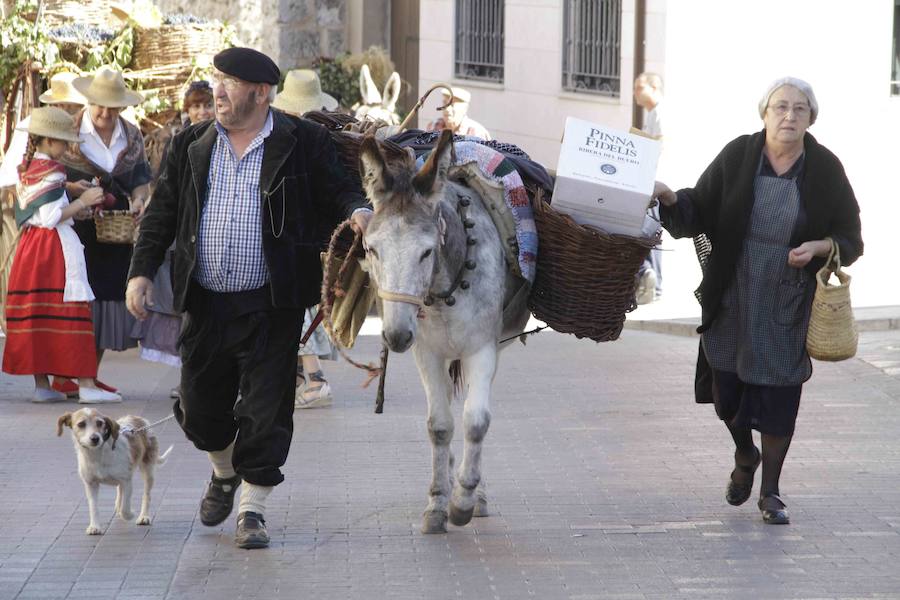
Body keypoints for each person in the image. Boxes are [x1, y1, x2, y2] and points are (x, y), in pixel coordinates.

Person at [125, 47, 370, 549]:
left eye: (230, 82)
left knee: (266, 410)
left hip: (271, 302)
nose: (217, 90)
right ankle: (222, 471)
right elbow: (162, 212)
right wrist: (140, 273)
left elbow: (340, 190)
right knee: (198, 410)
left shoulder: (302, 141)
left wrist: (360, 211)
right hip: (207, 300)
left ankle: (252, 510)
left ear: (261, 93)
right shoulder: (192, 143)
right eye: (217, 79)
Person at [652, 77, 863, 525]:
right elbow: (698, 206)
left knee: (780, 394)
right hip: (733, 292)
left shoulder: (824, 168)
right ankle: (745, 455)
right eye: (781, 107)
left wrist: (820, 247)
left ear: (811, 118)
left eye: (800, 109)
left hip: (788, 298)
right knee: (725, 392)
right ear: (764, 113)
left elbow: (851, 236)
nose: (790, 116)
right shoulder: (739, 156)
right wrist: (670, 198)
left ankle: (771, 492)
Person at [1, 107, 120, 403]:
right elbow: (53, 215)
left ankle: (43, 384)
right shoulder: (52, 171)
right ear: (49, 141)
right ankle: (86, 385)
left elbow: (41, 210)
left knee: (38, 314)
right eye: (64, 142)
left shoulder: (30, 170)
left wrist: (72, 191)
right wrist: (86, 200)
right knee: (71, 311)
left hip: (32, 249)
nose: (68, 148)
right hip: (53, 250)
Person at [51, 66, 151, 401]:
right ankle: (69, 375)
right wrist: (75, 191)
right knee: (78, 300)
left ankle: (87, 374)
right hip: (76, 230)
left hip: (115, 229)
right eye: (99, 106)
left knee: (107, 299)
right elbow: (45, 176)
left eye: (112, 107)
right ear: (89, 101)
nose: (105, 113)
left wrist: (139, 201)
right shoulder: (69, 132)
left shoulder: (132, 136)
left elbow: (140, 180)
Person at [132, 80, 215, 397]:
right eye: (195, 105)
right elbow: (164, 191)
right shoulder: (178, 143)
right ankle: (190, 380)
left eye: (206, 104)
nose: (201, 111)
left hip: (214, 235)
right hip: (183, 237)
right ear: (187, 110)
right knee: (185, 310)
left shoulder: (227, 139)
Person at [273, 69, 341, 409]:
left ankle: (314, 379)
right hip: (312, 242)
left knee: (299, 312)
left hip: (299, 242)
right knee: (304, 311)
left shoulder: (301, 140)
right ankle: (301, 378)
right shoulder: (321, 138)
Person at [0, 72, 87, 332]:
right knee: (27, 280)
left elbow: (39, 176)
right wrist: (82, 200)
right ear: (57, 105)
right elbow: (46, 206)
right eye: (68, 106)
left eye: (74, 107)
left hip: (31, 206)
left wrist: (67, 186)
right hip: (22, 209)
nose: (72, 112)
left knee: (32, 287)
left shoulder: (49, 149)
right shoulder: (36, 127)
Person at [633, 72, 665, 304]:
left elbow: (659, 146)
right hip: (650, 181)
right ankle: (652, 279)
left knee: (651, 230)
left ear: (654, 88)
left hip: (655, 183)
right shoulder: (653, 113)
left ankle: (656, 283)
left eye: (639, 87)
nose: (635, 93)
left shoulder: (661, 113)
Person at [426, 87, 491, 140]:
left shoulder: (478, 133)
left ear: (465, 108)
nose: (447, 109)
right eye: (445, 103)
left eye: (452, 105)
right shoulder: (433, 126)